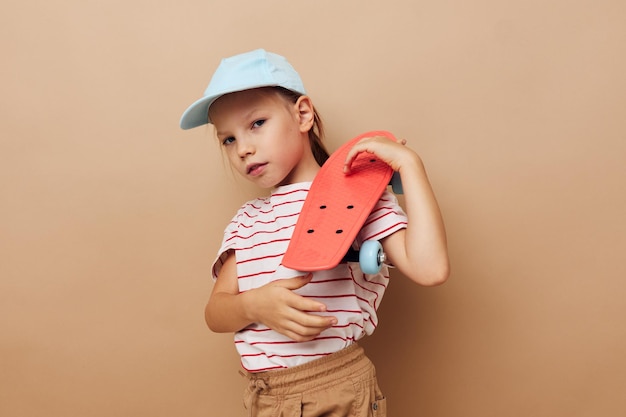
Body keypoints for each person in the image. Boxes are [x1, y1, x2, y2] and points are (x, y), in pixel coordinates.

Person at [180, 48, 449, 417]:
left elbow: (430, 268)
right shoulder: (247, 221)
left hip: (335, 389)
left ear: (302, 114)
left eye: (257, 123)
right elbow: (216, 312)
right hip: (267, 398)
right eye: (228, 139)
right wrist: (253, 304)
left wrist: (410, 166)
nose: (243, 149)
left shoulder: (359, 196)